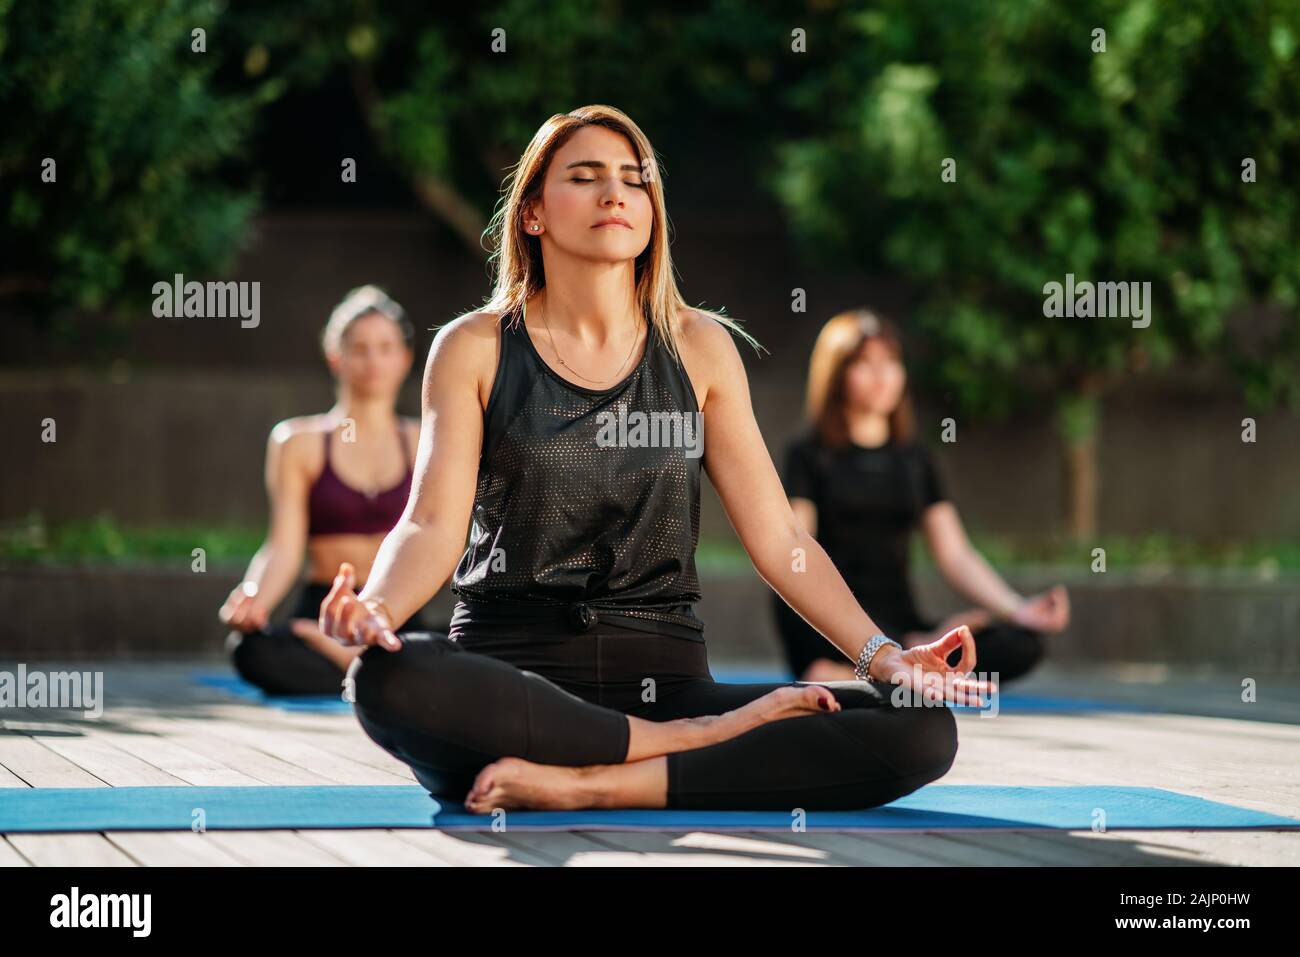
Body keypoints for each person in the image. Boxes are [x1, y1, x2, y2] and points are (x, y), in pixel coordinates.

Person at [317, 104, 993, 813]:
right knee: (389, 677)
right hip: (513, 675)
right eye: (585, 176)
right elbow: (429, 524)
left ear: (651, 213)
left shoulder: (699, 347)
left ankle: (600, 780)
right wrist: (377, 608)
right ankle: (679, 747)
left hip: (667, 676)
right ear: (533, 214)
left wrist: (884, 657)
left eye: (633, 180)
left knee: (918, 727)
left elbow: (782, 540)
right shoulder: (474, 346)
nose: (615, 193)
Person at [772, 309, 1071, 686]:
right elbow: (797, 553)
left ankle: (898, 664)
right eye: (865, 363)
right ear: (836, 374)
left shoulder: (915, 460)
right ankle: (863, 665)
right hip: (833, 621)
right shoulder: (808, 455)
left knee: (1020, 644)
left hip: (904, 622)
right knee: (793, 579)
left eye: (890, 362)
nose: (882, 376)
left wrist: (1017, 609)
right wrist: (872, 635)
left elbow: (955, 555)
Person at [219, 285, 435, 695]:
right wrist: (253, 597)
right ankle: (380, 668)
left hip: (393, 608)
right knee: (251, 650)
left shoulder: (425, 439)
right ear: (335, 357)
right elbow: (282, 547)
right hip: (324, 612)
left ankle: (357, 662)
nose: (373, 360)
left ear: (405, 359)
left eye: (386, 347)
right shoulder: (297, 441)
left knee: (463, 649)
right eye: (360, 348)